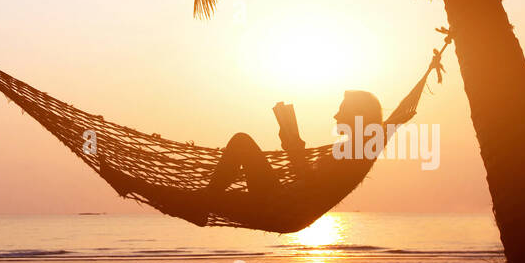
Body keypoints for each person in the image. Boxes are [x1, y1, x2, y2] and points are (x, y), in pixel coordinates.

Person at [100, 90, 384, 232]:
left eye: (342, 110)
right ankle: (129, 183)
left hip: (285, 208)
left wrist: (294, 142)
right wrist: (291, 141)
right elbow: (310, 181)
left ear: (359, 115)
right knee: (197, 199)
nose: (335, 116)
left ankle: (140, 186)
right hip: (284, 204)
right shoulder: (354, 151)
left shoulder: (353, 154)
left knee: (240, 143)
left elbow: (309, 181)